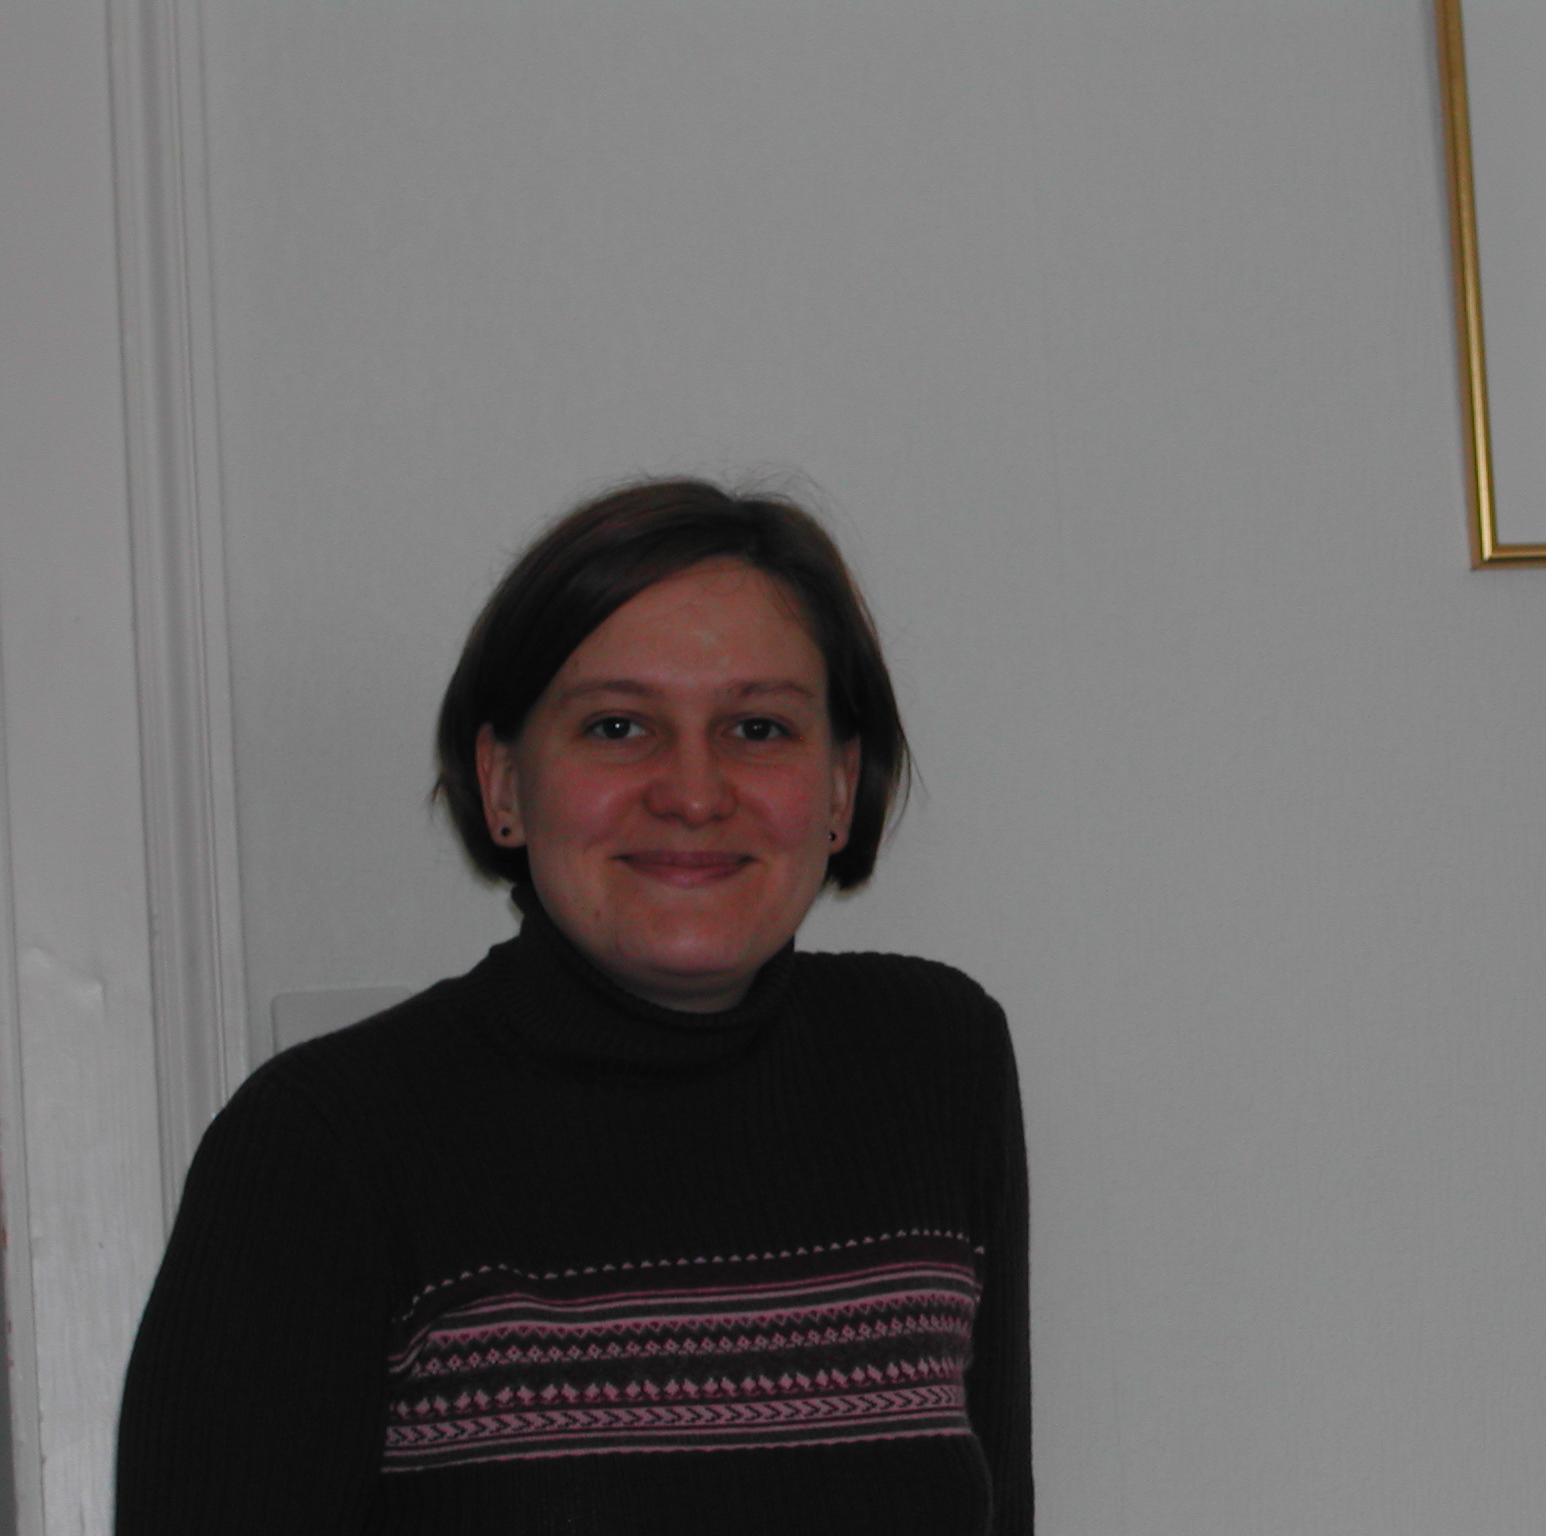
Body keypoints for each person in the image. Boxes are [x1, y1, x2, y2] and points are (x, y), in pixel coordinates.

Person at [116, 479, 1031, 1535]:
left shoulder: (932, 1062)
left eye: (758, 726)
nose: (694, 792)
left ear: (838, 787)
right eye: (617, 725)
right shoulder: (325, 1143)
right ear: (503, 783)